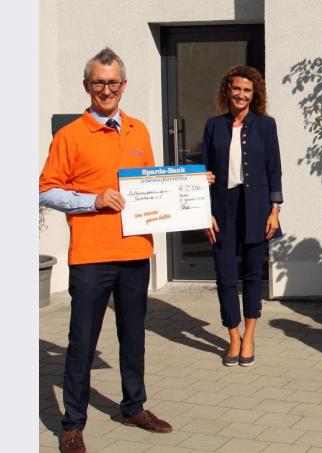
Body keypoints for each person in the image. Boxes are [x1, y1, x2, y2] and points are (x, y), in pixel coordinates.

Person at [39, 48, 172, 453]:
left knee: (134, 337)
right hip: (91, 257)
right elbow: (46, 190)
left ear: (124, 85)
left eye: (113, 82)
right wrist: (92, 201)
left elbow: (152, 184)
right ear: (87, 85)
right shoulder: (69, 136)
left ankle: (134, 407)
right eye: (99, 82)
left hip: (134, 253)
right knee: (82, 341)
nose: (106, 89)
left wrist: (191, 188)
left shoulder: (138, 130)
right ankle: (72, 424)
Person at [202, 65, 283, 367]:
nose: (241, 94)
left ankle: (249, 336)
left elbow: (274, 170)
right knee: (225, 275)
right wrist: (204, 211)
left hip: (257, 206)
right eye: (236, 88)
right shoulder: (213, 126)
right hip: (222, 207)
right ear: (228, 90)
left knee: (252, 274)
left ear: (254, 94)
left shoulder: (266, 125)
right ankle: (233, 336)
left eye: (247, 90)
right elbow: (203, 171)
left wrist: (274, 210)